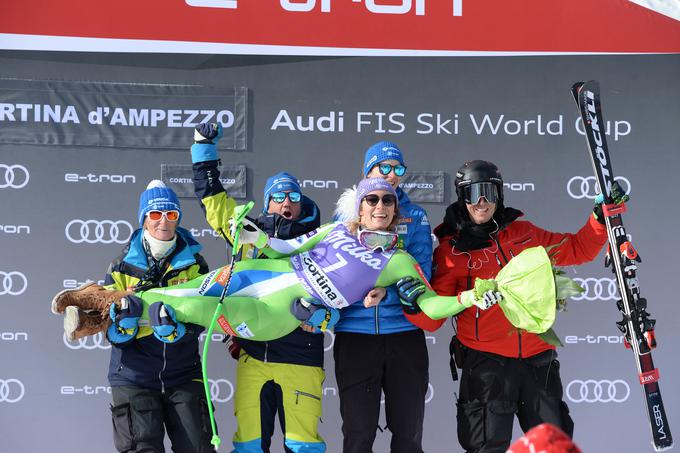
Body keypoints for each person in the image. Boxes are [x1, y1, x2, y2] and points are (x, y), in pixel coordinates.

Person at [51, 177, 501, 345]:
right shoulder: (335, 231)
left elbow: (432, 306)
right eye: (372, 200)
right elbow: (282, 249)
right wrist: (253, 236)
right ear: (359, 208)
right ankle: (97, 307)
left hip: (277, 312)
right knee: (173, 292)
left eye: (387, 201)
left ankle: (103, 310)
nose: (381, 206)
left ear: (395, 211)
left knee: (192, 309)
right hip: (263, 272)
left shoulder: (400, 262)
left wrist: (473, 297)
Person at [402, 160, 621, 453]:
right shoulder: (451, 251)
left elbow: (578, 249)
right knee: (486, 445)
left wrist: (599, 218)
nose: (481, 202)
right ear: (461, 197)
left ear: (499, 195)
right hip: (487, 367)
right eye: (472, 194)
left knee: (554, 445)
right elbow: (433, 319)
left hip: (537, 359)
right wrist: (412, 304)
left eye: (488, 193)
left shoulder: (524, 233)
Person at [191, 123, 328, 453]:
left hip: (301, 356)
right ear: (267, 203)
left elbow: (340, 292)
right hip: (253, 354)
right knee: (249, 446)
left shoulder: (320, 241)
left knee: (303, 447)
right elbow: (213, 201)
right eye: (278, 196)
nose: (286, 202)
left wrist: (324, 316)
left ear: (301, 202)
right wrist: (203, 148)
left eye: (293, 196)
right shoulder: (245, 231)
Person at [64, 180, 214, 453]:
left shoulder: (195, 263)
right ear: (144, 219)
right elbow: (106, 323)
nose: (163, 222)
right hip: (133, 375)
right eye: (155, 214)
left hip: (183, 372)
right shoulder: (121, 264)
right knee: (140, 448)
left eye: (171, 214)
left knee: (199, 448)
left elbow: (205, 313)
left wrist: (181, 332)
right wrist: (124, 327)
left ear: (178, 218)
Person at [332, 141, 433, 453]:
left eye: (397, 168)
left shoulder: (414, 216)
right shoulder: (345, 217)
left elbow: (422, 272)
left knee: (408, 434)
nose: (391, 174)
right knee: (358, 435)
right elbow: (333, 276)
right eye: (384, 167)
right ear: (367, 171)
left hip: (404, 334)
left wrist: (388, 290)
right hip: (356, 337)